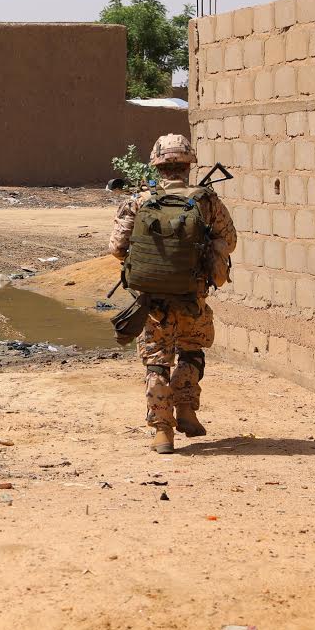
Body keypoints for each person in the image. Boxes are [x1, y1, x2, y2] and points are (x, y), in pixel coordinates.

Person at [110, 133, 237, 455]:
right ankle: (188, 411)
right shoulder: (206, 200)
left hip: (151, 301)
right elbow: (229, 240)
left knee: (157, 364)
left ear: (156, 164)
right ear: (188, 164)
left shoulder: (139, 201)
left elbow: (117, 248)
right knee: (192, 352)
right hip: (193, 296)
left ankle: (162, 432)